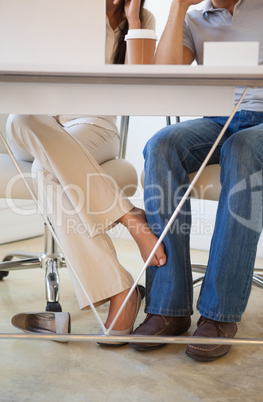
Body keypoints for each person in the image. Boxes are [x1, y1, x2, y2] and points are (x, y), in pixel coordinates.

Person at [6, 0, 166, 339]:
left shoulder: (141, 17)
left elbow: (141, 88)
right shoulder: (62, 8)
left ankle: (120, 290)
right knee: (19, 118)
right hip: (38, 122)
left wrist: (134, 19)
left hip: (94, 126)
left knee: (45, 172)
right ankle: (126, 216)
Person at [129, 0, 263, 361]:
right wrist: (177, 7)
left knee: (242, 147)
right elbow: (164, 77)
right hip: (219, 117)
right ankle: (167, 307)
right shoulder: (193, 17)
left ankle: (219, 315)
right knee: (161, 144)